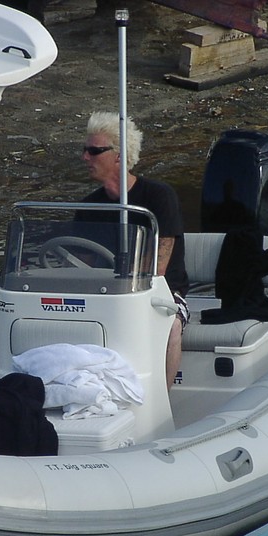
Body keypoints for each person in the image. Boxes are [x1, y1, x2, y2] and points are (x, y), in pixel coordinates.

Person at [81, 111, 189, 390]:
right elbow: (81, 269)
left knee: (171, 325)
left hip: (163, 293)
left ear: (119, 155)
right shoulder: (87, 207)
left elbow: (158, 270)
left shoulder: (158, 197)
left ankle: (160, 405)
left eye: (94, 151)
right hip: (105, 293)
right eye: (85, 150)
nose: (85, 157)